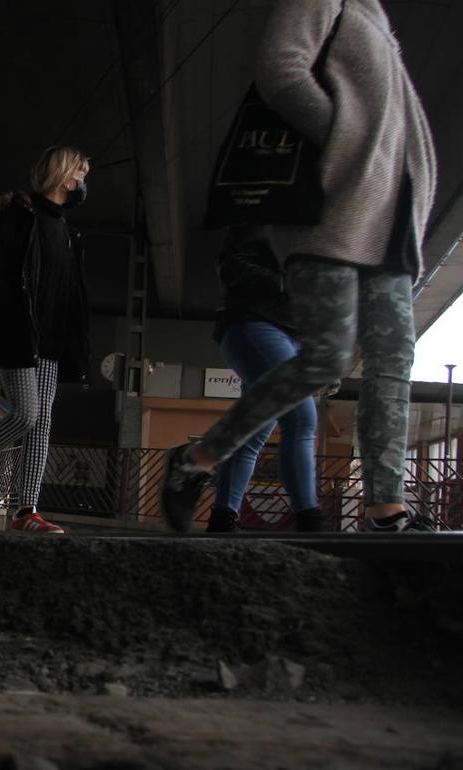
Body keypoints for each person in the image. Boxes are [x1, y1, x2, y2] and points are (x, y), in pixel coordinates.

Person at [160, 0, 438, 533]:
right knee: (327, 360)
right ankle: (196, 459)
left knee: (393, 358)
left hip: (391, 222)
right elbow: (280, 71)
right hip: (333, 212)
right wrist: (349, 147)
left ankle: (385, 508)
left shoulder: (375, 15)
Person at [0, 146, 92, 533]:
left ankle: (26, 512)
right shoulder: (21, 216)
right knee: (27, 414)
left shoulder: (68, 232)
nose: (83, 184)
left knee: (40, 426)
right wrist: (4, 325)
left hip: (52, 341)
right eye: (81, 174)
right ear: (64, 176)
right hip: (18, 334)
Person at [206, 228, 323, 533]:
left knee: (253, 429)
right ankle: (311, 522)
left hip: (291, 332)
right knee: (300, 417)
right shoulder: (264, 215)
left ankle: (222, 519)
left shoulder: (318, 223)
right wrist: (290, 284)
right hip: (256, 321)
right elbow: (233, 267)